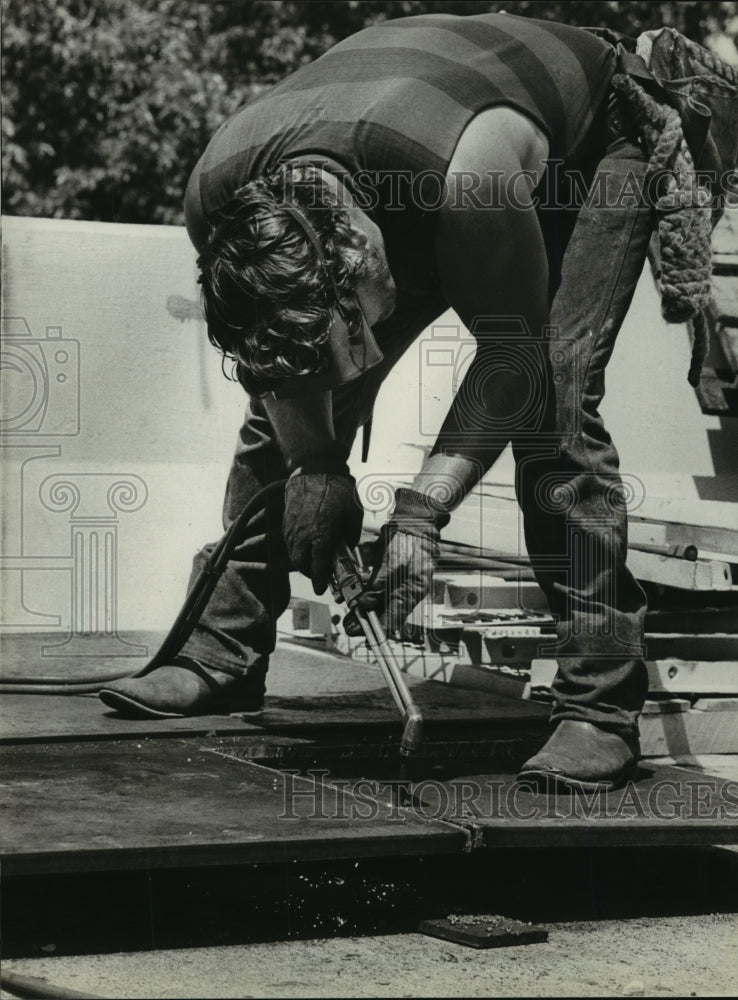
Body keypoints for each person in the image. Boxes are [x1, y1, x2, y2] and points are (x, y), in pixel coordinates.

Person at [100, 11, 737, 791]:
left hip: (595, 139)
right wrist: (315, 465)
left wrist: (420, 515)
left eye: (356, 333)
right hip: (409, 138)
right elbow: (282, 366)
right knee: (276, 423)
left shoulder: (468, 178)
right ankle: (219, 653)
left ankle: (598, 709)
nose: (362, 361)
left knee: (557, 402)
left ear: (366, 250)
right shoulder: (222, 197)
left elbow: (515, 358)